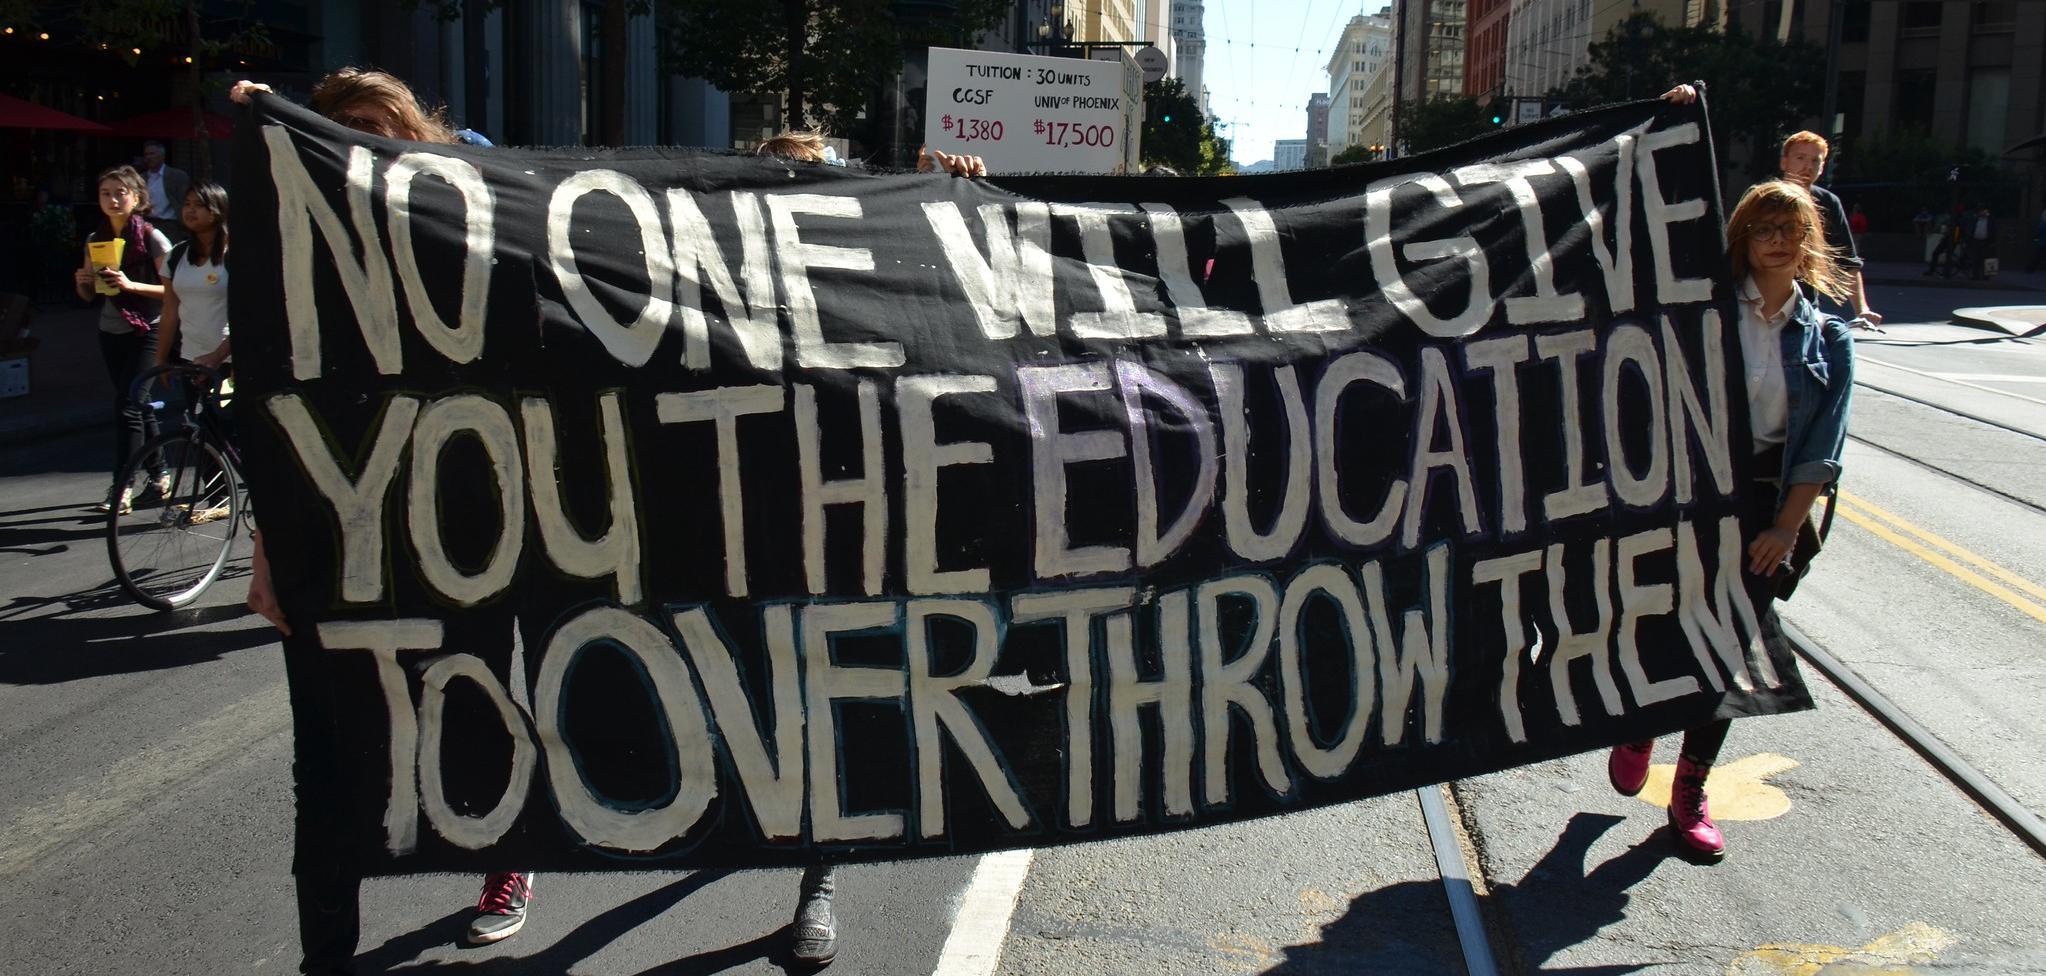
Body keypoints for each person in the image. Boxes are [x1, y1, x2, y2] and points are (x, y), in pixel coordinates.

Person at [1605, 179, 1857, 860]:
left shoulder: (1828, 337)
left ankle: (1690, 790)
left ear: (1810, 241)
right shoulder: (1703, 311)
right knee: (1661, 623)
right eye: (1765, 227)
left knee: (1726, 653)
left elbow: (1821, 447)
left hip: (1767, 505)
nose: (1778, 240)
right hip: (1687, 498)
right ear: (1743, 237)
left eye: (1791, 228)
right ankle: (1639, 725)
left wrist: (1785, 527)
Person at [73, 164, 172, 515]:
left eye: (120, 193)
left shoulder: (151, 237)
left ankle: (123, 485)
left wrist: (132, 285)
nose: (113, 200)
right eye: (105, 194)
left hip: (149, 329)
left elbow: (173, 292)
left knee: (128, 405)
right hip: (111, 329)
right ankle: (160, 475)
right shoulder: (95, 239)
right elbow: (88, 296)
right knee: (135, 403)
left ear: (137, 198)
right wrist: (82, 280)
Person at [155, 182, 233, 374]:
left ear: (217, 210)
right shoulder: (176, 255)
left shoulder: (237, 255)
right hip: (191, 359)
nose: (190, 210)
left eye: (198, 205)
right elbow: (169, 311)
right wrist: (160, 360)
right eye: (187, 204)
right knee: (195, 405)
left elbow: (250, 315)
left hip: (233, 360)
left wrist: (218, 355)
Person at [138, 141, 191, 243]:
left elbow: (184, 200)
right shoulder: (141, 178)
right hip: (148, 223)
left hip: (170, 225)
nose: (148, 157)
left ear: (162, 156)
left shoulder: (177, 176)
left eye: (152, 154)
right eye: (146, 154)